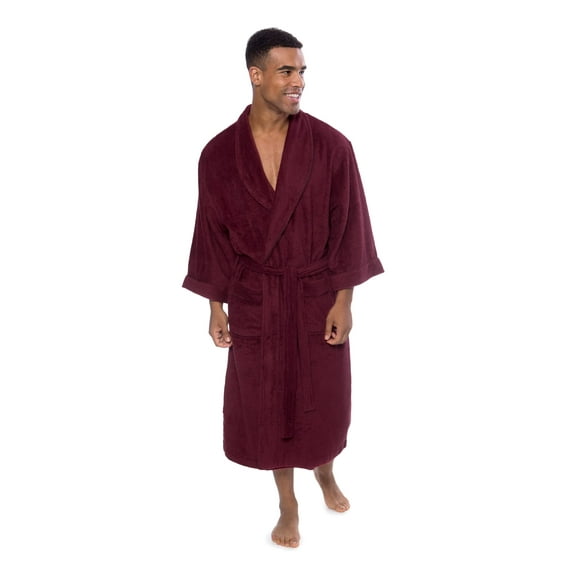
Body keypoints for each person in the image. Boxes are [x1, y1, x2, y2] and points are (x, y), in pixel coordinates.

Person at [182, 27, 383, 548]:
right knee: (269, 406)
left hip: (316, 297)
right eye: (286, 71)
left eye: (302, 71)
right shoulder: (218, 155)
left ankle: (326, 472)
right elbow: (211, 234)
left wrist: (344, 300)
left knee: (324, 403)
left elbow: (350, 226)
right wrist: (215, 306)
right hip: (257, 300)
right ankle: (287, 502)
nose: (299, 82)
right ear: (256, 75)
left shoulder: (332, 146)